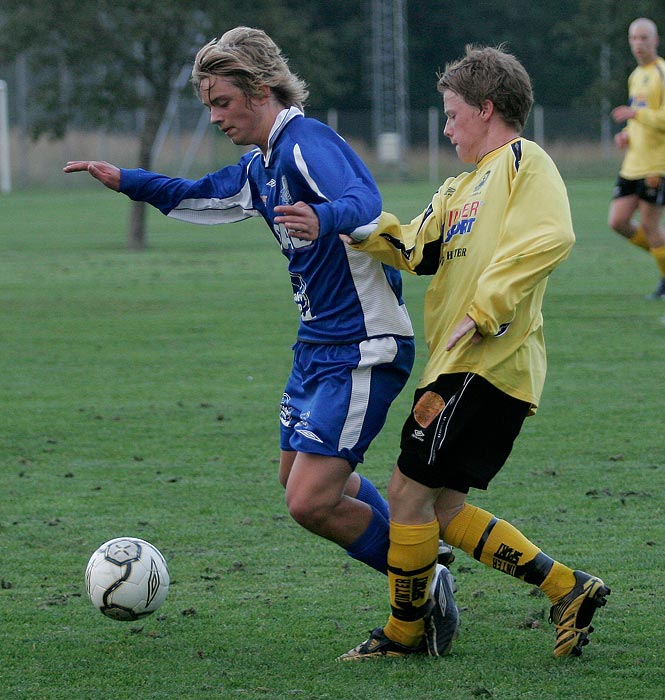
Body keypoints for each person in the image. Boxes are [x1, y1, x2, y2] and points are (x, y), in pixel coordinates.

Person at [63, 26, 458, 654]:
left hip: (363, 346)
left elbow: (365, 201)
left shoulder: (305, 144)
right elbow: (203, 196)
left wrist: (323, 217)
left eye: (222, 102)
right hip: (316, 348)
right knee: (296, 478)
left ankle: (419, 583)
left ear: (261, 88)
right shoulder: (263, 163)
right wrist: (129, 180)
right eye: (209, 105)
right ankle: (417, 551)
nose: (216, 116)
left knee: (309, 500)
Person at [280, 44, 611, 660]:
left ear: (488, 109)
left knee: (406, 494)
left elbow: (552, 236)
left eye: (453, 113)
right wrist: (341, 223)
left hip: (489, 361)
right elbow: (415, 249)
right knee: (442, 504)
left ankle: (405, 633)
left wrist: (486, 310)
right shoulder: (458, 187)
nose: (446, 126)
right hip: (455, 367)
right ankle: (568, 587)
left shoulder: (524, 163)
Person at [609, 17, 665, 300]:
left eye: (644, 38)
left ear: (655, 40)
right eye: (633, 38)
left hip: (656, 164)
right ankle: (663, 257)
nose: (638, 44)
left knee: (651, 228)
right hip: (632, 163)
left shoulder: (661, 73)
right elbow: (638, 118)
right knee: (617, 222)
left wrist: (636, 116)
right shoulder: (635, 76)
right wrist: (627, 134)